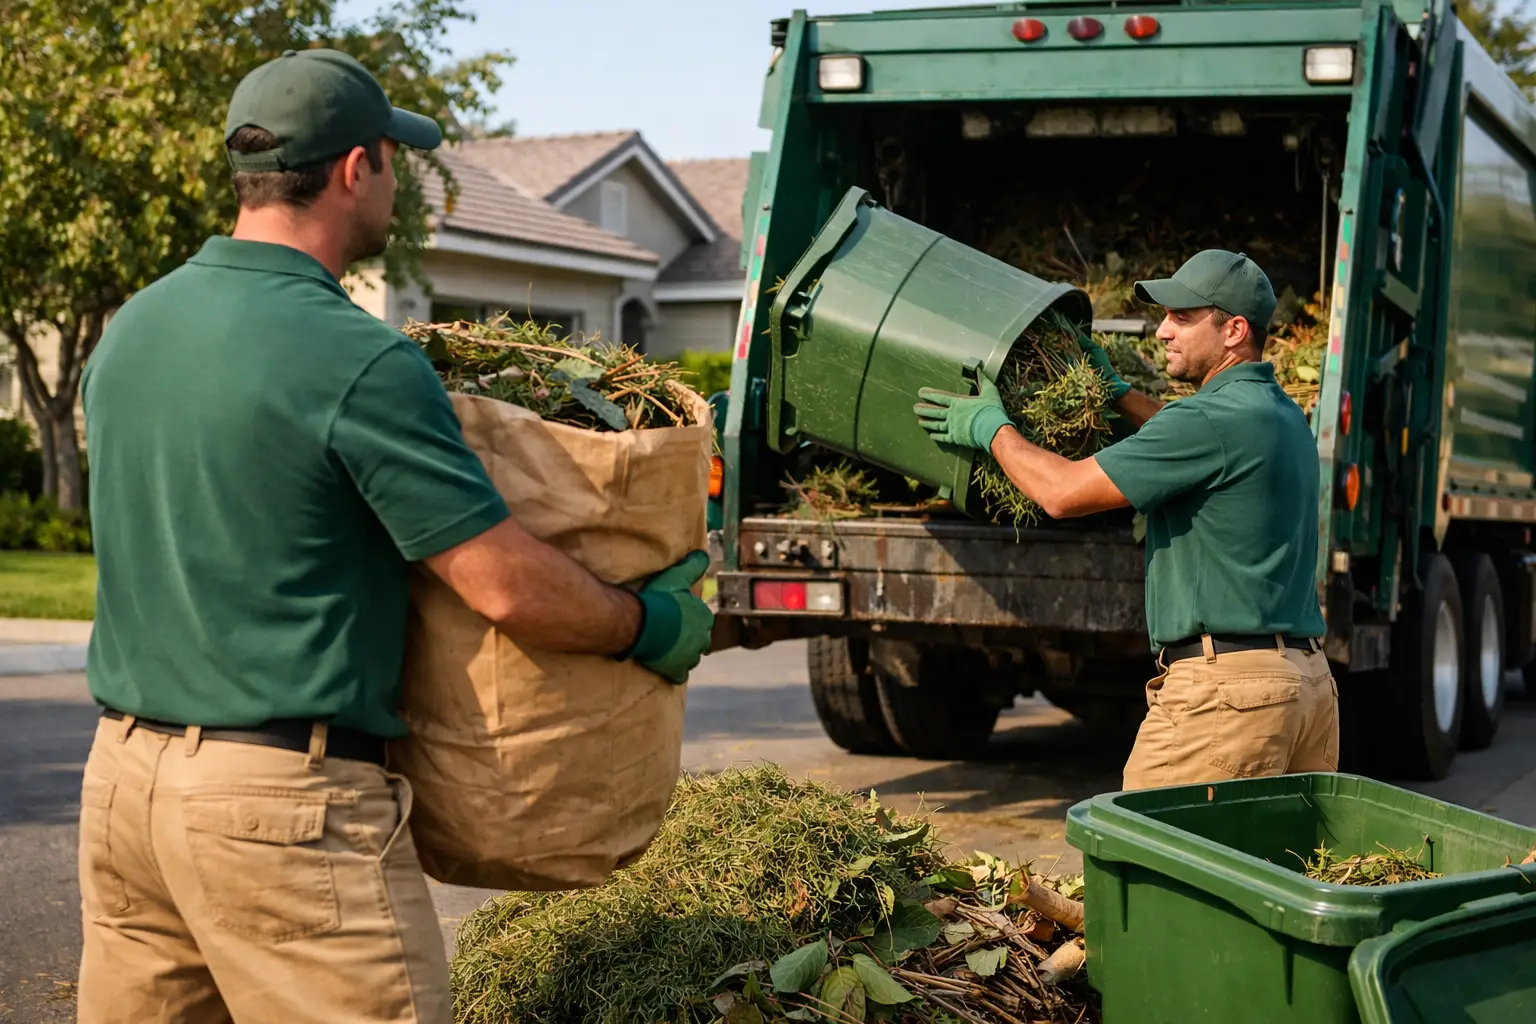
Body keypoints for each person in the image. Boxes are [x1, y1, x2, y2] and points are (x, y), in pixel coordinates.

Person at [74, 49, 713, 1024]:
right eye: (392, 162)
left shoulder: (133, 330)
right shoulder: (358, 359)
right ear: (352, 168)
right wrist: (645, 623)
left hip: (124, 784)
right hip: (277, 809)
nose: (398, 187)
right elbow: (502, 584)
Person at [914, 249, 1338, 791]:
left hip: (1230, 697)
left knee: (1146, 843)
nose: (1162, 331)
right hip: (1306, 684)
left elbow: (1061, 493)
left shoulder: (1205, 420)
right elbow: (1197, 438)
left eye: (1182, 318)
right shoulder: (1282, 414)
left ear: (1234, 330)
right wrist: (1120, 396)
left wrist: (992, 429)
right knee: (1266, 846)